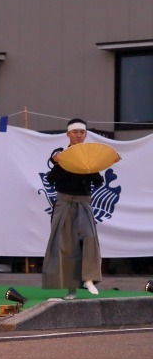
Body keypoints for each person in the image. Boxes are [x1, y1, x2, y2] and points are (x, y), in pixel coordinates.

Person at [42, 118, 119, 299]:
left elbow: (98, 181)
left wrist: (104, 163)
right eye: (75, 132)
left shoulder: (89, 157)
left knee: (90, 238)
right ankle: (71, 289)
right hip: (64, 202)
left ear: (85, 135)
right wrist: (61, 163)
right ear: (68, 134)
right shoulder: (60, 154)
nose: (78, 135)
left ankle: (89, 278)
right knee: (67, 247)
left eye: (82, 132)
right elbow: (51, 178)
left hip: (84, 203)